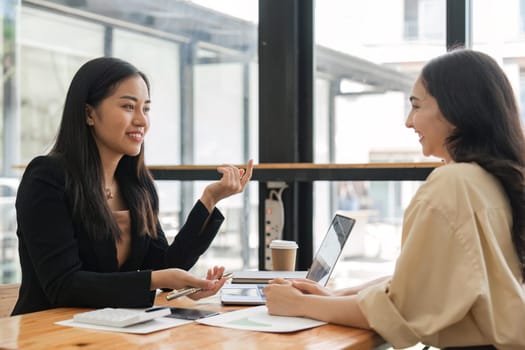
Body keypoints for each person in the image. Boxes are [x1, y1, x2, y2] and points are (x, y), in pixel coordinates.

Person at [264, 48, 525, 349]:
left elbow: (401, 310)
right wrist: (335, 296)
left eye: (416, 106)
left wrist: (299, 305)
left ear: (456, 109)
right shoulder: (495, 179)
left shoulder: (454, 183)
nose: (408, 122)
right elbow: (418, 281)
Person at [12, 57, 253, 315]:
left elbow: (166, 263)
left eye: (146, 109)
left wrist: (209, 199)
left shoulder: (136, 187)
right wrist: (158, 280)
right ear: (89, 113)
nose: (141, 121)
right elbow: (63, 286)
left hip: (113, 330)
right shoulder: (47, 177)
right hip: (44, 333)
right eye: (128, 106)